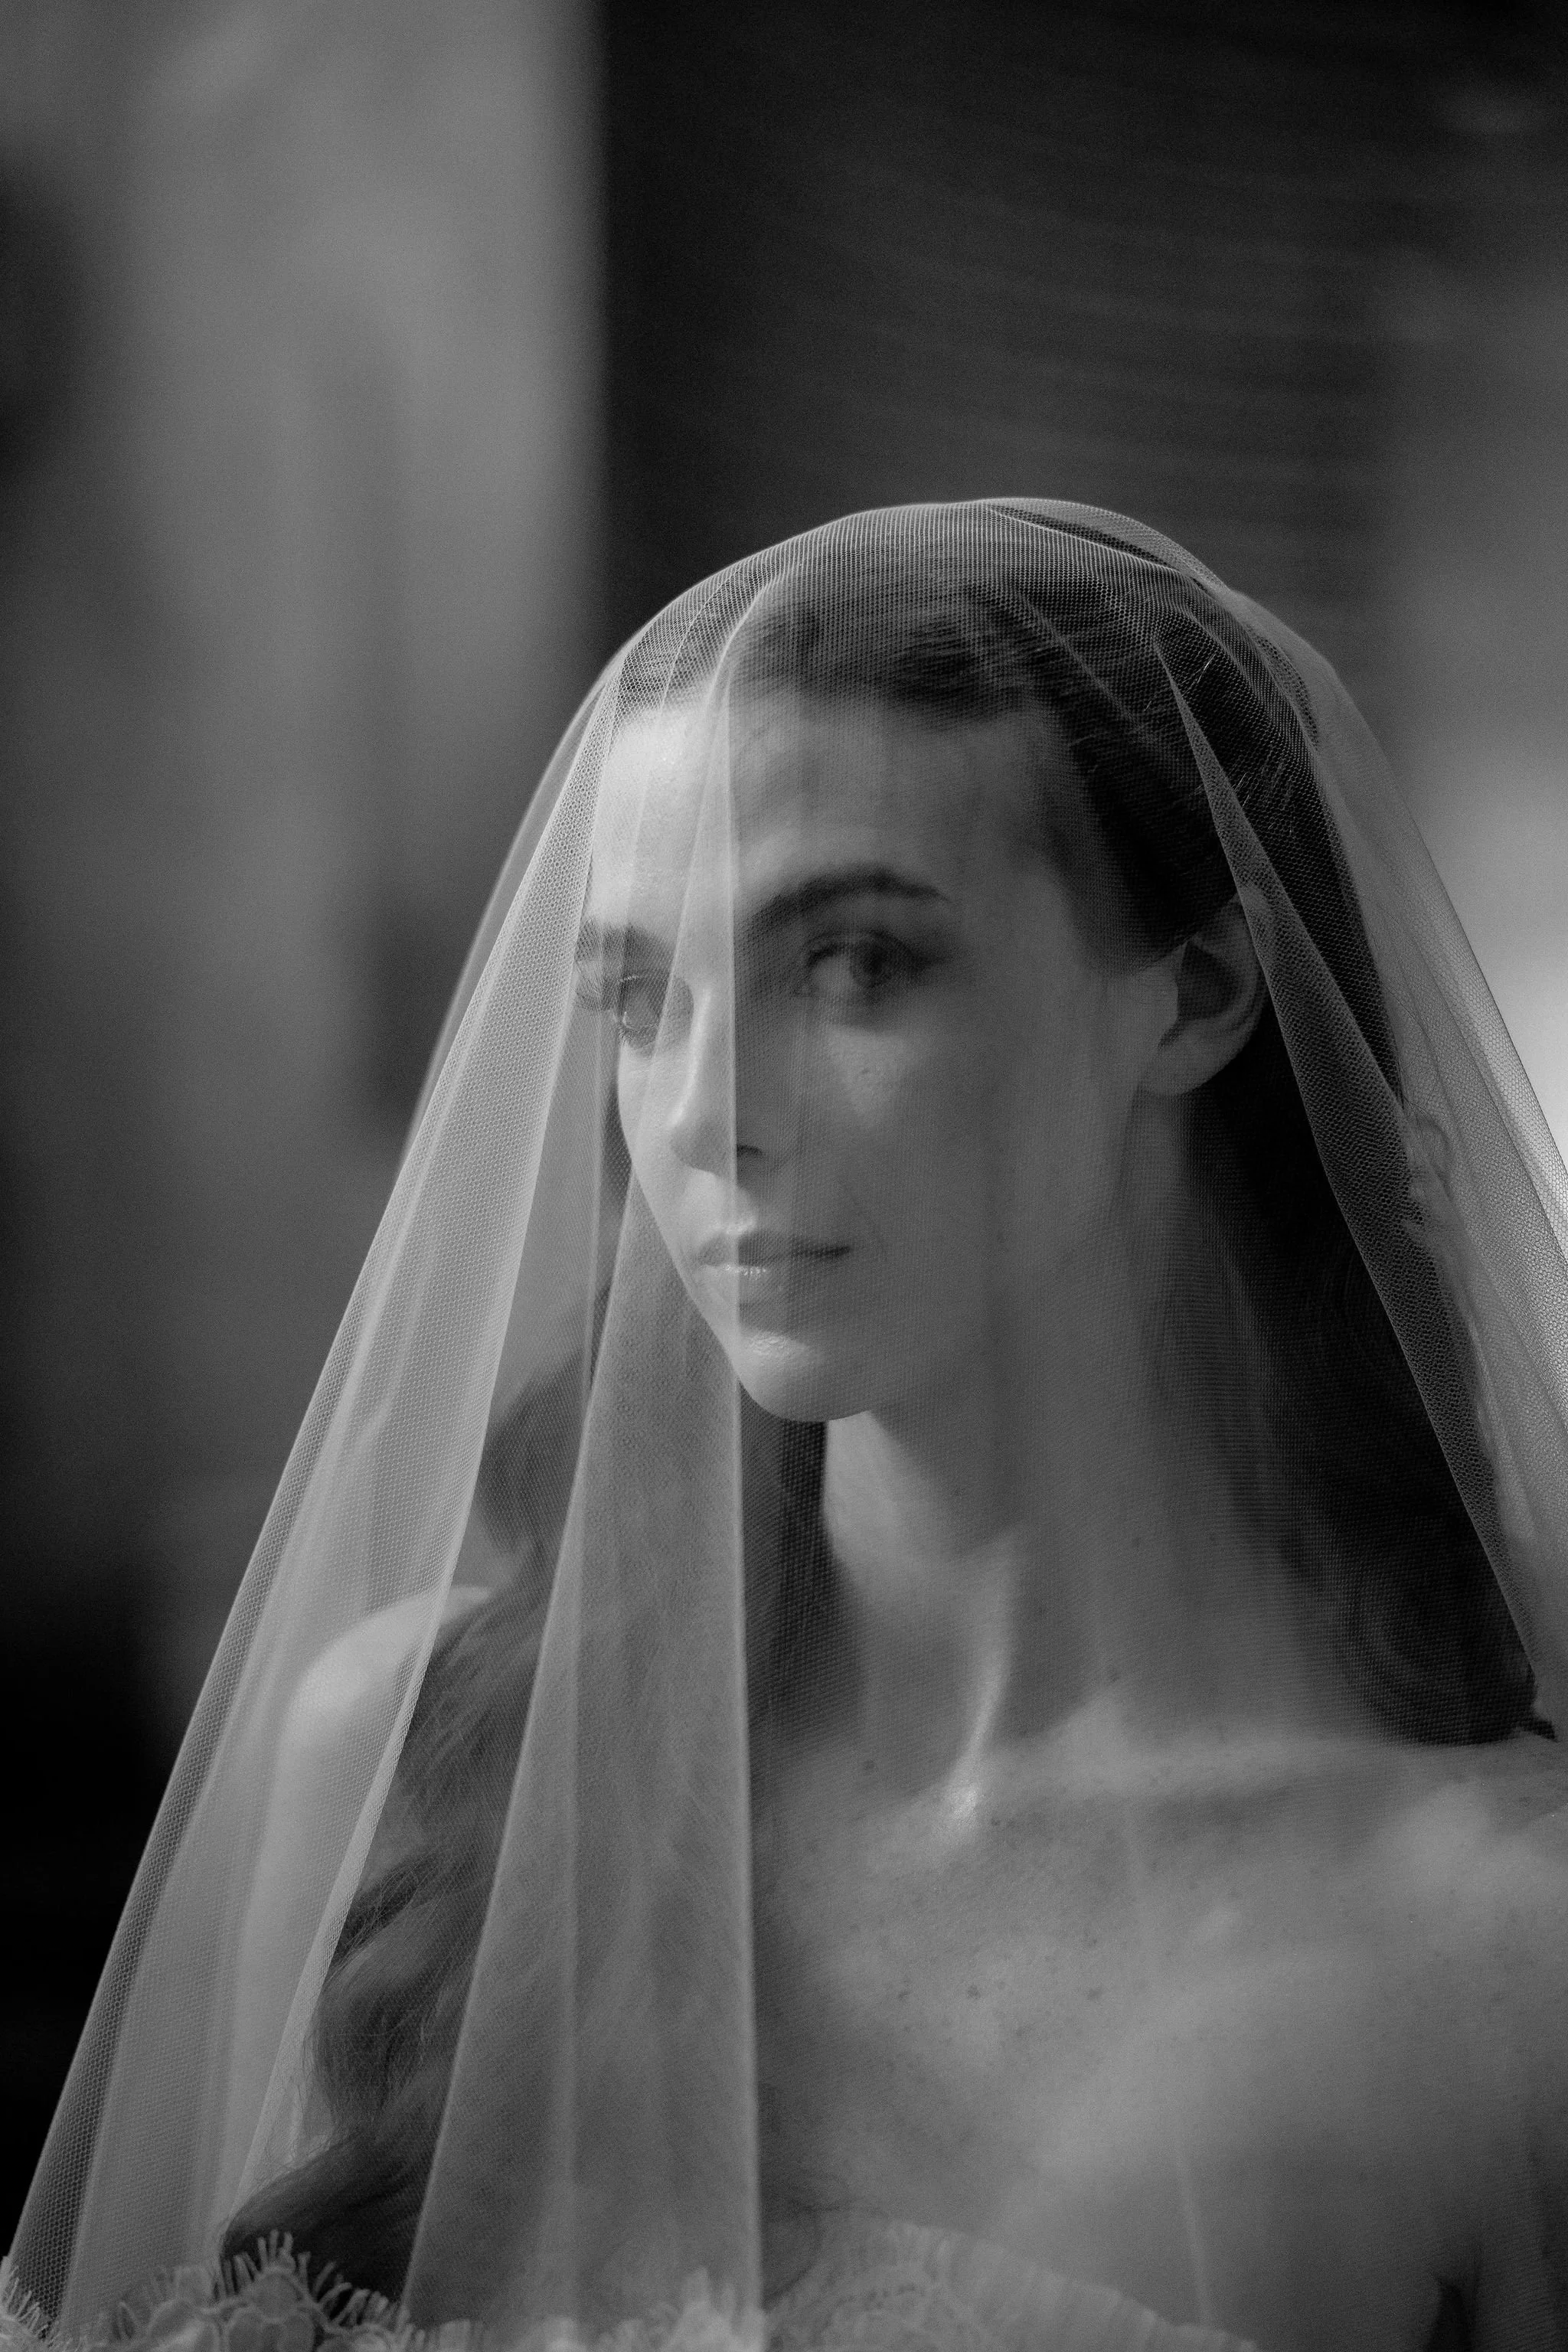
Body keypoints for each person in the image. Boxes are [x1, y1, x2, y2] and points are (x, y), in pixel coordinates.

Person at [9, 503, 1568, 2352]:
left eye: (854, 965)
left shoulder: (1496, 1956)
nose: (700, 1119)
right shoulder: (402, 1776)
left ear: (1204, 989)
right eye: (639, 1001)